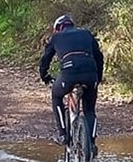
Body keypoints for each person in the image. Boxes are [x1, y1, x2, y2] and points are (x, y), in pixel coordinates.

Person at [39, 14, 104, 153]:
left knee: (56, 97)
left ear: (58, 28)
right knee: (90, 111)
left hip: (68, 74)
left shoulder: (56, 37)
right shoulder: (86, 33)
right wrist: (98, 78)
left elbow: (45, 59)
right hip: (90, 73)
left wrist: (44, 76)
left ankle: (63, 135)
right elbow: (99, 57)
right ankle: (91, 144)